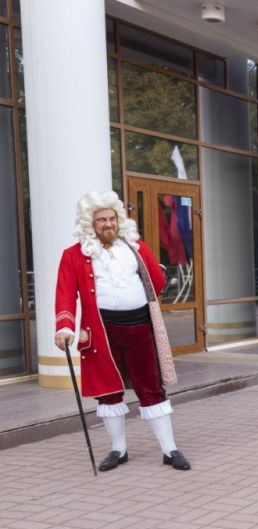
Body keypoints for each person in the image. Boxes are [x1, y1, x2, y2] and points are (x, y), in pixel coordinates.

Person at [54, 191, 190, 472]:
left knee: (151, 389)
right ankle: (118, 449)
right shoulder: (73, 255)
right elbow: (66, 294)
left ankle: (170, 449)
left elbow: (158, 281)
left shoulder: (135, 247)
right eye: (101, 219)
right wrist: (64, 327)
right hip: (102, 333)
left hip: (140, 329)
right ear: (90, 223)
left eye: (112, 218)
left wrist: (146, 265)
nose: (108, 224)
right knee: (108, 393)